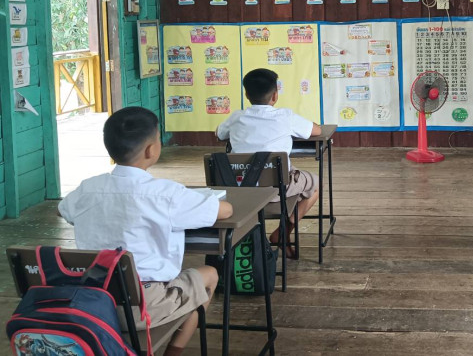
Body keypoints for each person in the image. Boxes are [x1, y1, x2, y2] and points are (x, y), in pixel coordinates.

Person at [59, 107, 232, 356]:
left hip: (91, 301)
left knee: (186, 287)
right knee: (209, 275)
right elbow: (224, 211)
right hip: (142, 307)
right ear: (151, 149)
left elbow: (62, 210)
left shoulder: (88, 188)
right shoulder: (166, 194)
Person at [217, 68, 321, 259]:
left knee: (281, 170)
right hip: (276, 192)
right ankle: (283, 231)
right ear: (275, 95)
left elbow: (219, 133)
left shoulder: (236, 117)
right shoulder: (285, 116)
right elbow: (316, 131)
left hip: (238, 191)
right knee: (315, 185)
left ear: (247, 95)